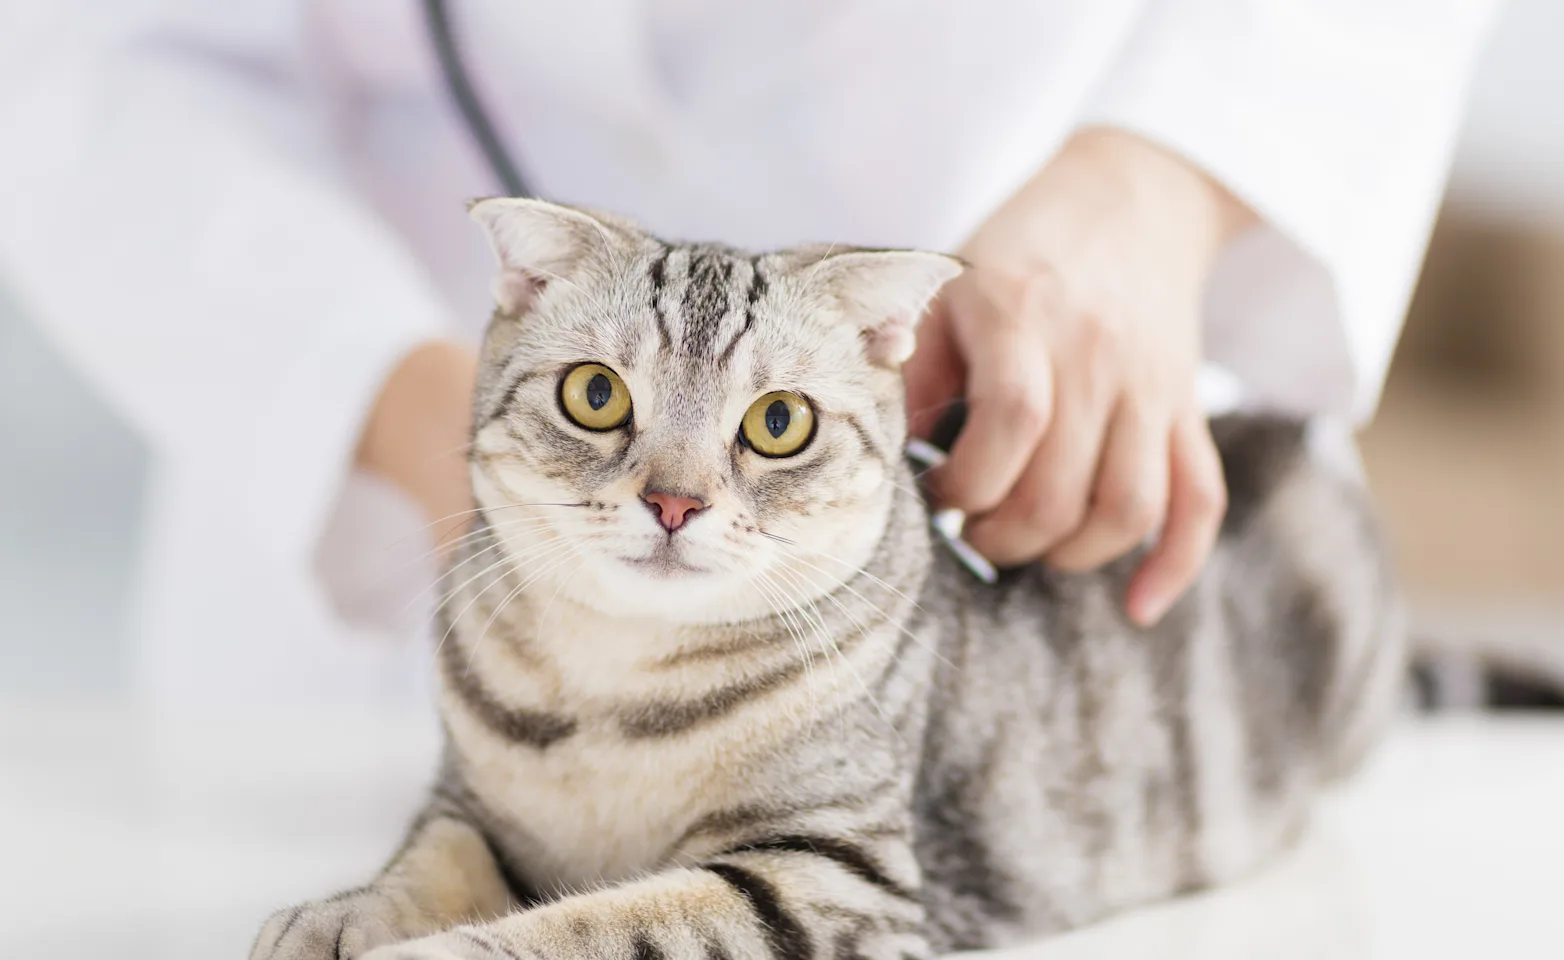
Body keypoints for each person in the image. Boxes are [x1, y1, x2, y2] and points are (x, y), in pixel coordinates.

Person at [0, 1, 1498, 703]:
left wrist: (1159, 181)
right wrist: (466, 446)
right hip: (372, 629)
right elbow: (87, 68)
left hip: (1046, 511)